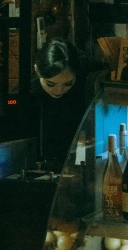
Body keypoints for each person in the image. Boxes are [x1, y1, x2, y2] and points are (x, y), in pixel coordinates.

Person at [29, 37, 104, 172]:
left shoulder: (82, 91)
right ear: (37, 70)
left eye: (68, 83)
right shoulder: (28, 95)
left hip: (74, 168)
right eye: (50, 84)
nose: (59, 91)